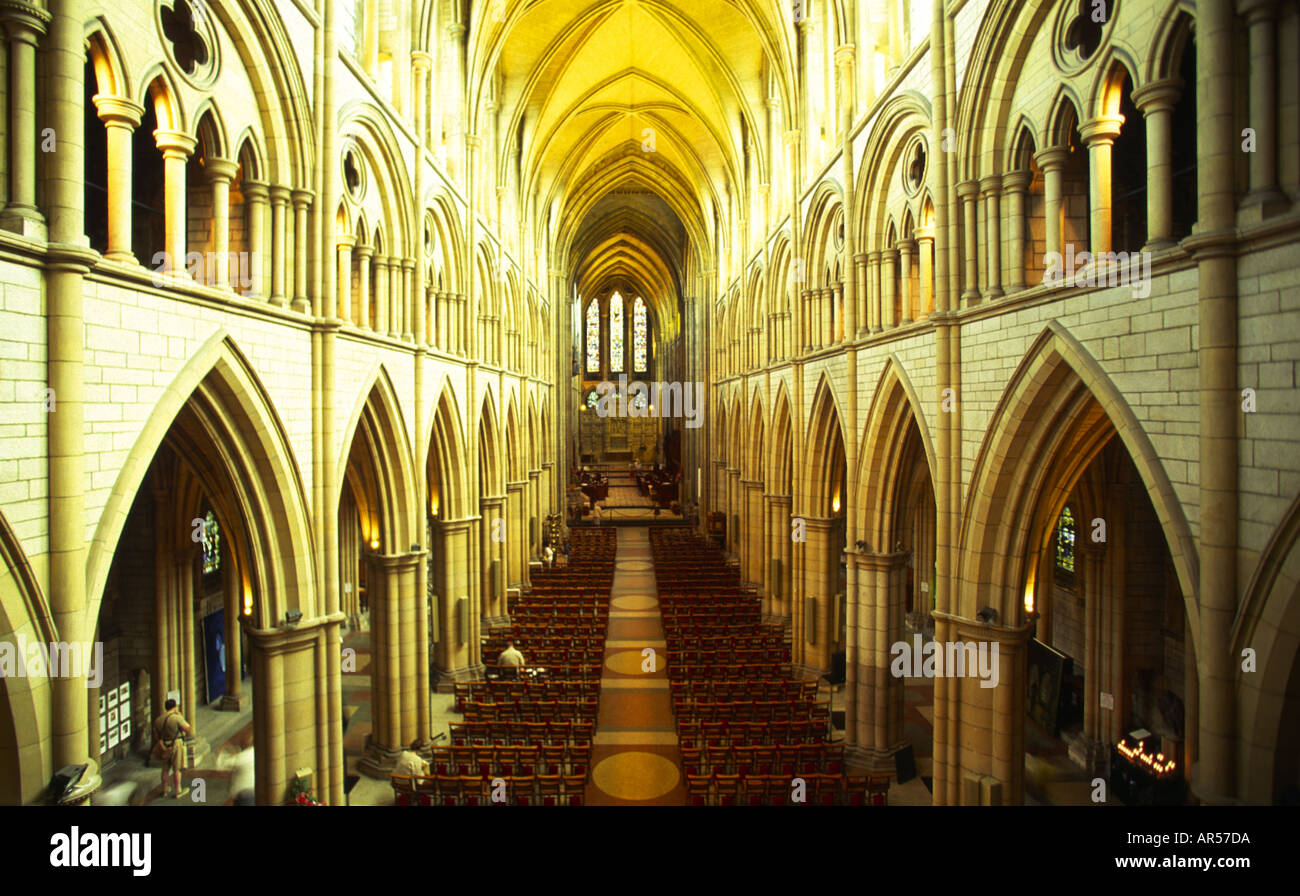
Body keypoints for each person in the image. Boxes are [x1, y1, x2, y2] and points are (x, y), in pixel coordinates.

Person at [152, 698, 193, 799]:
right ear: (175, 706)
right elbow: (187, 728)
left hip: (164, 745)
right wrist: (181, 716)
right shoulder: (176, 717)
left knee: (165, 769)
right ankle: (178, 790)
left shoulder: (158, 719)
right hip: (176, 744)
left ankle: (164, 789)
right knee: (176, 769)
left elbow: (156, 735)